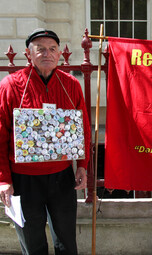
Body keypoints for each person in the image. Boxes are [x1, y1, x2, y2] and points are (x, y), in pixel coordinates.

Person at [0, 28, 91, 255]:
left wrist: (82, 165)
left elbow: (83, 129)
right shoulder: (11, 85)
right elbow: (0, 134)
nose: (47, 54)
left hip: (61, 176)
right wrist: (3, 179)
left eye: (52, 49)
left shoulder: (70, 84)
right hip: (23, 179)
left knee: (67, 242)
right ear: (28, 54)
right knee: (33, 244)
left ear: (60, 53)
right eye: (40, 49)